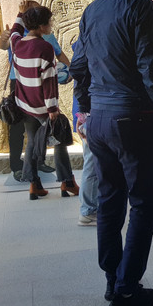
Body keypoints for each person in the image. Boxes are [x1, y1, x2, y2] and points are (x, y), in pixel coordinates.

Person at [70, 0, 153, 306]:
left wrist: (85, 109)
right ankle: (127, 289)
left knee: (109, 202)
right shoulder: (141, 7)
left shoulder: (93, 9)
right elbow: (151, 66)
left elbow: (79, 66)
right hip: (134, 118)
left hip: (99, 121)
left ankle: (112, 279)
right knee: (143, 204)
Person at [9, 1, 78, 200]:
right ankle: (67, 182)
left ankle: (34, 184)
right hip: (42, 107)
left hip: (25, 105)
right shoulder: (45, 48)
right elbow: (49, 81)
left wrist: (20, 13)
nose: (51, 25)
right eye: (49, 22)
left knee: (32, 141)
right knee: (60, 141)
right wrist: (52, 108)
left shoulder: (17, 43)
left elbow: (14, 31)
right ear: (41, 26)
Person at [72, 41, 98, 227]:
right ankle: (88, 210)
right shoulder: (93, 50)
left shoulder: (80, 50)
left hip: (86, 113)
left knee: (92, 161)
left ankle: (91, 208)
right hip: (93, 113)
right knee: (92, 162)